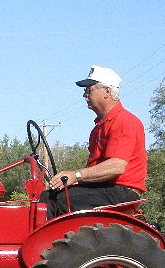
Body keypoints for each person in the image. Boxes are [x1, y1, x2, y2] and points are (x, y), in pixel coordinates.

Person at [40, 66, 147, 219]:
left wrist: (75, 175)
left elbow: (116, 167)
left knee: (54, 200)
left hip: (123, 193)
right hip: (106, 189)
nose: (85, 95)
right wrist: (70, 181)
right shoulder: (98, 129)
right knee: (50, 194)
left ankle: (44, 242)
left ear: (107, 91)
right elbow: (95, 170)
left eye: (89, 90)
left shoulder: (124, 122)